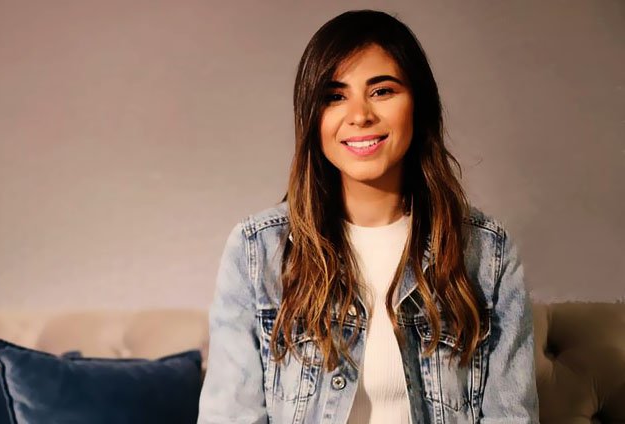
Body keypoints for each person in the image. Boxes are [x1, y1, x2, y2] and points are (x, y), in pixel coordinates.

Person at [196, 9, 539, 424]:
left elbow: (511, 416)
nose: (360, 115)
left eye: (382, 91)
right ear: (312, 117)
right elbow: (230, 416)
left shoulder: (486, 252)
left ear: (418, 104)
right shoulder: (258, 251)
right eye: (335, 96)